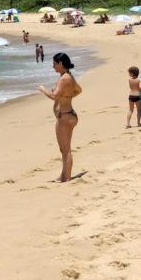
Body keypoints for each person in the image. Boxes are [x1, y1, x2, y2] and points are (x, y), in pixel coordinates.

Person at [38, 52, 82, 182]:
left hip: (65, 117)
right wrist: (67, 96)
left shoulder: (64, 78)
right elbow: (78, 90)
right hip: (69, 114)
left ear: (61, 64)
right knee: (64, 149)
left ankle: (66, 177)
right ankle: (63, 175)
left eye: (54, 64)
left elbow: (54, 96)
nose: (53, 67)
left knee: (65, 149)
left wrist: (43, 89)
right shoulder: (69, 76)